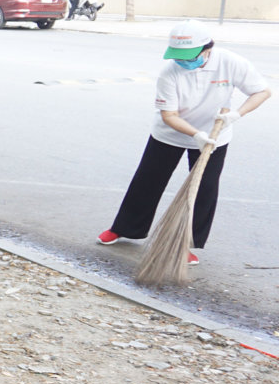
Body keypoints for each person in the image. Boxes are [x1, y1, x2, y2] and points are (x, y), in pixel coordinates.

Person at [97, 21, 270, 264]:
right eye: (178, 56)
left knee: (203, 189)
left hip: (215, 136)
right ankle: (124, 228)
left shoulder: (230, 62)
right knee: (147, 181)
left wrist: (236, 114)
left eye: (188, 56)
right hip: (170, 134)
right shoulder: (169, 73)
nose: (182, 61)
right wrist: (196, 134)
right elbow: (169, 116)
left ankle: (186, 243)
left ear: (207, 49)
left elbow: (262, 91)